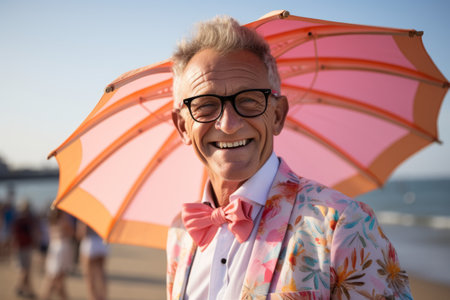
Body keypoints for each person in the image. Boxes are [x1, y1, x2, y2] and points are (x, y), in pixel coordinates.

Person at [166, 16, 412, 299]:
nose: (228, 124)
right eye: (206, 105)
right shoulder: (180, 233)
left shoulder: (344, 226)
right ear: (183, 126)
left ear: (278, 115)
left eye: (248, 100)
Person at [40, 209, 74, 300]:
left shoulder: (51, 222)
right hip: (61, 249)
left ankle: (48, 296)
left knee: (55, 279)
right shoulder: (64, 222)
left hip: (54, 249)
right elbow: (71, 233)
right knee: (55, 279)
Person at [12, 199, 37, 298]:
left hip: (24, 246)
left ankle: (29, 290)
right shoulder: (25, 220)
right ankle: (19, 287)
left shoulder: (21, 220)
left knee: (26, 270)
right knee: (25, 270)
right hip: (23, 247)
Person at [77, 222, 108, 300]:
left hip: (90, 243)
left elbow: (81, 232)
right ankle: (102, 297)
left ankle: (93, 298)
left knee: (89, 276)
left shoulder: (87, 213)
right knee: (101, 274)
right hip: (102, 243)